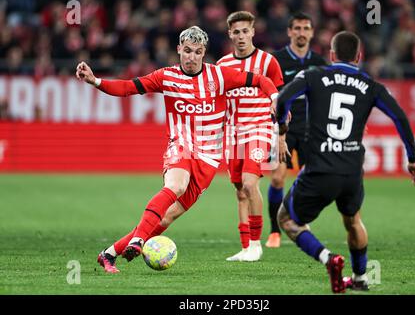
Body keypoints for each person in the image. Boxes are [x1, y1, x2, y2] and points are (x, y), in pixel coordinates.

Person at [76, 26, 279, 273]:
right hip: (181, 147)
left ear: (204, 53)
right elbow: (129, 87)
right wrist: (95, 81)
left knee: (166, 218)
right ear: (178, 50)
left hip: (209, 159)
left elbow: (259, 80)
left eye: (197, 52)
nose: (191, 57)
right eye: (187, 51)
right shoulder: (166, 76)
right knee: (175, 186)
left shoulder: (219, 77)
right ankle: (139, 240)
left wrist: (274, 98)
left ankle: (109, 254)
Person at [275, 31, 415, 293]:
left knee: (287, 219)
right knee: (353, 220)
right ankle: (360, 278)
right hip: (352, 170)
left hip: (320, 167)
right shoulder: (371, 85)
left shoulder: (313, 75)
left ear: (331, 55)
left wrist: (282, 128)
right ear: (359, 57)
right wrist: (412, 158)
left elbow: (283, 98)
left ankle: (328, 258)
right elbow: (400, 116)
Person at [216, 11, 284, 262]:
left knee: (249, 183)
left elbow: (280, 99)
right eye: (236, 32)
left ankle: (256, 244)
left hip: (259, 129)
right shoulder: (222, 66)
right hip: (232, 135)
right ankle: (245, 247)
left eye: (246, 31)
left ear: (253, 32)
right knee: (239, 190)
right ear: (230, 34)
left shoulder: (268, 62)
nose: (241, 36)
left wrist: (281, 136)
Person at [266, 11, 327, 248]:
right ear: (290, 31)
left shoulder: (320, 64)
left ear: (312, 32)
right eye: (297, 28)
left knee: (310, 180)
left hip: (312, 130)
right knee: (278, 178)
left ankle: (297, 218)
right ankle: (274, 231)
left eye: (306, 28)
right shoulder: (277, 60)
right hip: (284, 128)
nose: (301, 33)